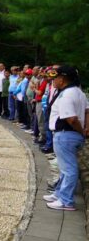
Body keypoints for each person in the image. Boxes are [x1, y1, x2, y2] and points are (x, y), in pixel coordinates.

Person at [43, 66, 88, 211]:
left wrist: (82, 131)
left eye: (55, 78)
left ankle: (66, 200)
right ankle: (59, 194)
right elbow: (87, 110)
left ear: (62, 79)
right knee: (65, 167)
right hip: (70, 135)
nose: (53, 80)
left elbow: (71, 118)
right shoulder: (79, 92)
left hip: (66, 134)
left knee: (68, 169)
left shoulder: (67, 94)